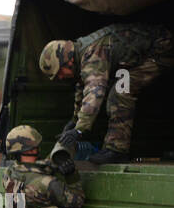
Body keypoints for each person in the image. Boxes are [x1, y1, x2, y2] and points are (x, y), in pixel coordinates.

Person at [41, 23, 174, 164]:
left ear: (67, 61)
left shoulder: (92, 56)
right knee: (120, 85)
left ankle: (117, 150)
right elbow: (82, 89)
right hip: (146, 52)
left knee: (120, 92)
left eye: (59, 73)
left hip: (162, 50)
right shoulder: (81, 56)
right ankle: (114, 147)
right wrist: (74, 121)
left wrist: (79, 130)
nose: (61, 78)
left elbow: (94, 93)